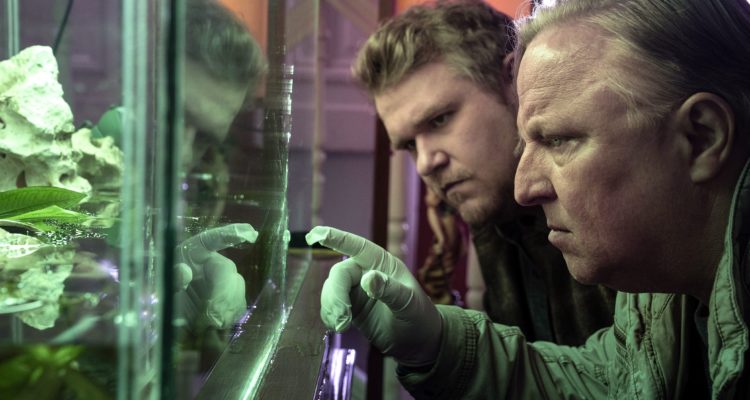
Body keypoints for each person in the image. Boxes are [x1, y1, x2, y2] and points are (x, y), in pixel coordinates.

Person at [307, 0, 750, 398]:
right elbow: (613, 379)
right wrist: (437, 344)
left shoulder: (625, 236)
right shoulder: (508, 220)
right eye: (407, 146)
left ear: (702, 137)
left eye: (558, 139)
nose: (425, 164)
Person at [351, 0, 615, 345]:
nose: (426, 163)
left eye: (440, 119)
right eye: (410, 145)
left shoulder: (604, 195)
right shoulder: (493, 204)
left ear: (514, 80)